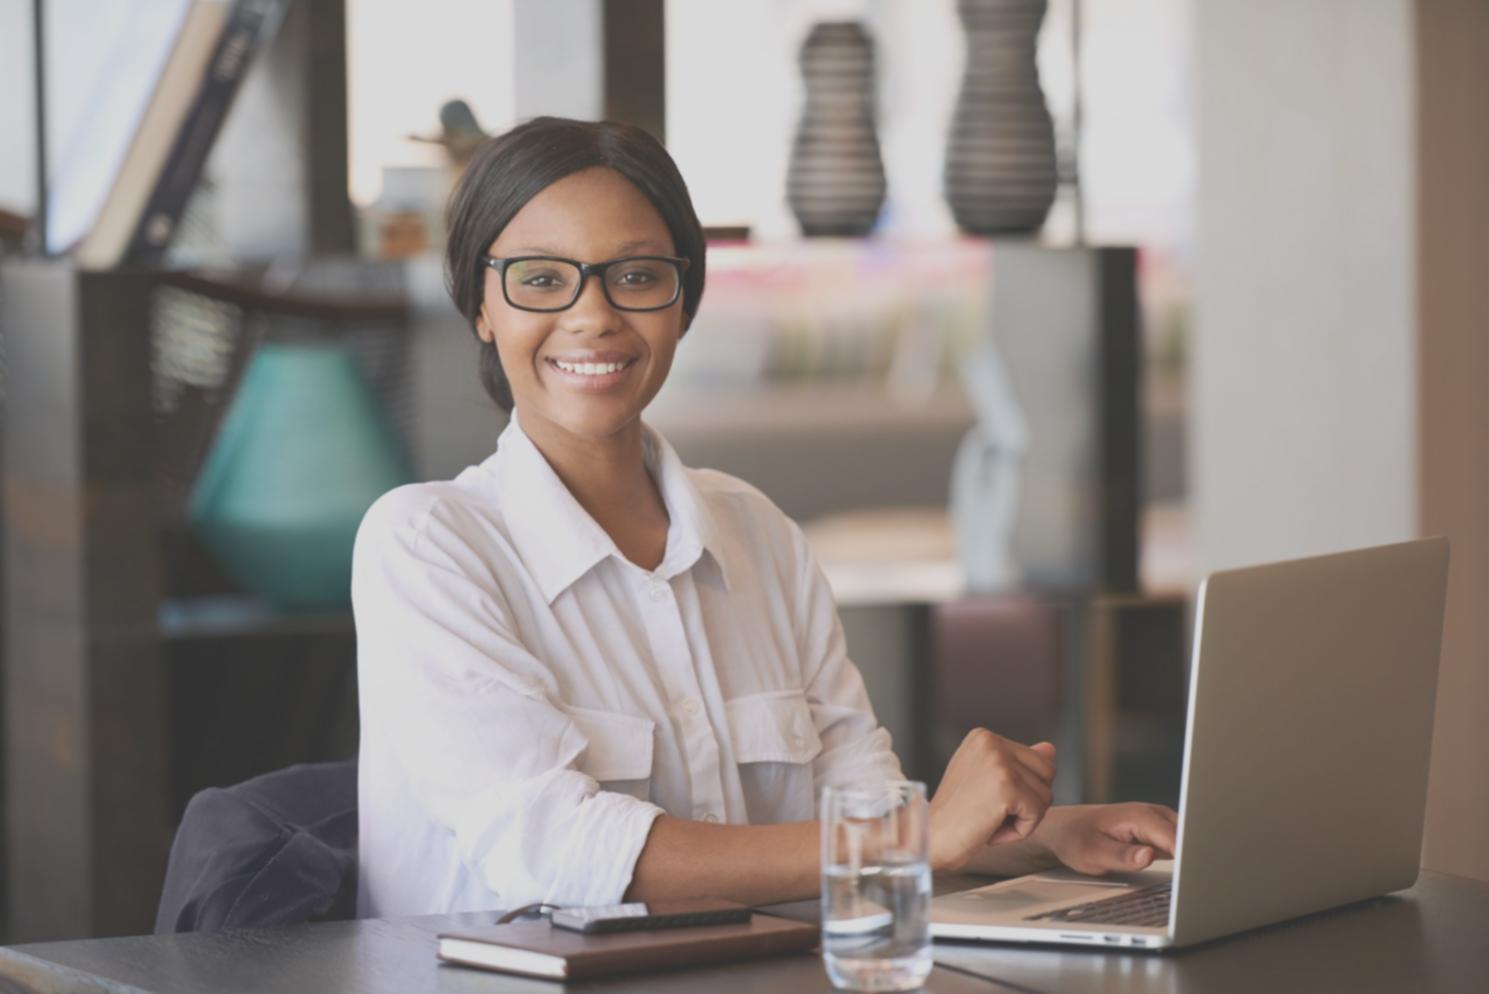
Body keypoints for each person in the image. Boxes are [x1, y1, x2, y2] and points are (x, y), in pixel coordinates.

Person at [352, 116, 1176, 918]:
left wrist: (1037, 835)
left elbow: (854, 819)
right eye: (539, 279)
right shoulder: (427, 546)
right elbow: (555, 851)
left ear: (684, 302)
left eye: (636, 276)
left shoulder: (757, 534)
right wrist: (920, 835)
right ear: (481, 308)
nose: (593, 315)